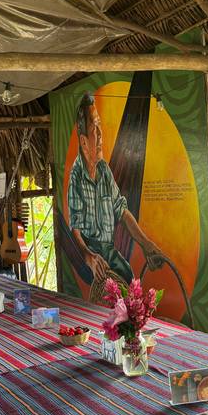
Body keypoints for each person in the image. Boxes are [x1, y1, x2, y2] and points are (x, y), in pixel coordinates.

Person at [68, 92, 164, 283]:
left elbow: (122, 211)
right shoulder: (76, 175)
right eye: (94, 128)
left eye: (100, 125)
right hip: (86, 249)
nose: (100, 134)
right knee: (107, 289)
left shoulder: (104, 170)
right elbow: (75, 229)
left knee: (129, 279)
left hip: (107, 249)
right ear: (84, 141)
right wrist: (89, 257)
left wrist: (146, 244)